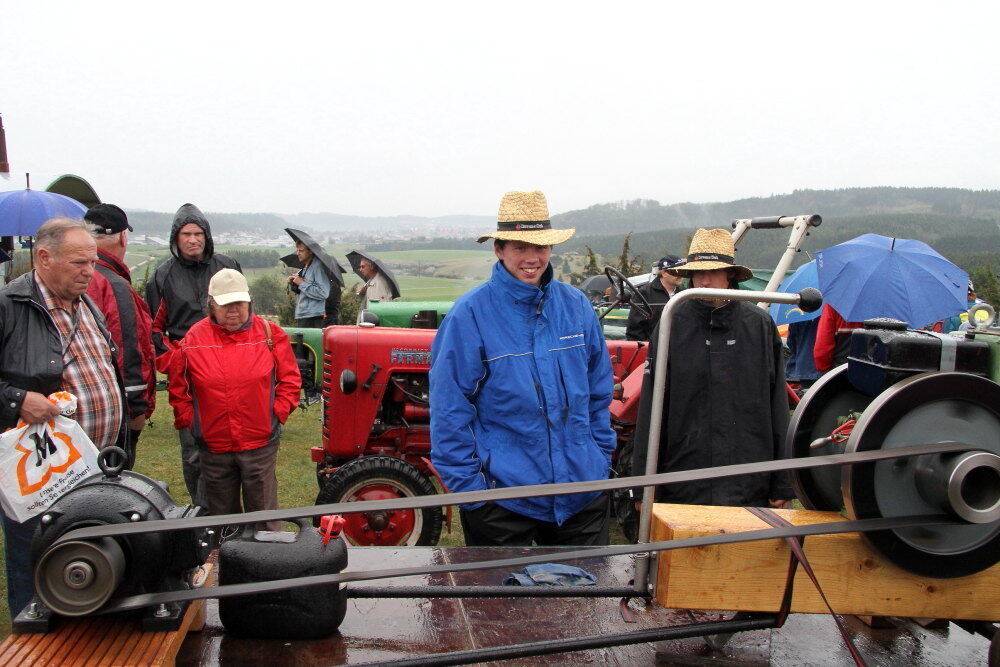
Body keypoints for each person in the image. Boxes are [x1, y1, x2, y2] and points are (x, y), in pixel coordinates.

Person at [430, 190, 616, 547]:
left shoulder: (575, 306)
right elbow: (449, 408)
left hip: (582, 490)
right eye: (520, 247)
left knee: (586, 598)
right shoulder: (469, 315)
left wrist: (599, 456)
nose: (532, 259)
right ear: (499, 250)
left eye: (540, 247)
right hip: (502, 499)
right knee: (502, 601)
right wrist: (473, 492)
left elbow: (598, 390)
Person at [0, 218, 126, 617]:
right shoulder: (9, 306)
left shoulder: (87, 303)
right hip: (40, 472)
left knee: (89, 560)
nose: (89, 271)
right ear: (44, 257)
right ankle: (31, 642)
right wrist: (17, 398)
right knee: (35, 560)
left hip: (94, 466)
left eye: (92, 262)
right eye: (78, 263)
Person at [631, 228, 793, 508]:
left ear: (729, 274)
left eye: (713, 271)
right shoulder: (672, 322)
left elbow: (777, 402)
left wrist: (783, 482)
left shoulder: (758, 325)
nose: (704, 280)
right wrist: (644, 483)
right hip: (683, 478)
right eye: (698, 272)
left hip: (748, 478)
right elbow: (651, 408)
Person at [167, 269, 300, 530]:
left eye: (239, 303)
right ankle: (225, 564)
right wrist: (191, 422)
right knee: (224, 522)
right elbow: (178, 386)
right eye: (226, 304)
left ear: (249, 302)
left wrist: (277, 413)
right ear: (211, 305)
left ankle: (266, 566)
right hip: (214, 446)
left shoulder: (270, 334)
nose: (233, 310)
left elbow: (290, 380)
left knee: (264, 519)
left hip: (259, 441)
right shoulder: (193, 339)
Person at [146, 203, 241, 510]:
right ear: (176, 238)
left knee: (235, 441)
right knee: (194, 445)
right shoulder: (163, 275)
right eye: (186, 234)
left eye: (198, 233)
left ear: (207, 236)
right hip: (188, 371)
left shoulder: (227, 268)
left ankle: (233, 511)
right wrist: (173, 362)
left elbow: (244, 312)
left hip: (230, 366)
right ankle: (203, 512)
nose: (192, 240)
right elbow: (154, 330)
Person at [84, 204, 156, 468]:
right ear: (123, 237)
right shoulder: (115, 285)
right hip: (116, 411)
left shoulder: (76, 277)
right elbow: (129, 347)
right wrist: (136, 407)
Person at [625, 254, 686, 341]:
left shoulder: (684, 294)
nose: (681, 276)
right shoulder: (644, 293)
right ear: (664, 273)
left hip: (678, 347)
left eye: (683, 271)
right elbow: (635, 329)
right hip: (652, 348)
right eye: (677, 272)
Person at [287, 240, 331, 328]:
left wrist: (301, 283)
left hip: (313, 317)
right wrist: (294, 281)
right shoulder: (305, 267)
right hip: (304, 314)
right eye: (297, 250)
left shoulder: (317, 266)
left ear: (310, 251)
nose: (298, 253)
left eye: (301, 251)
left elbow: (324, 293)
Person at [813, 303, 862, 373]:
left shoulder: (834, 304)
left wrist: (824, 370)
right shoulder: (880, 302)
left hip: (840, 371)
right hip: (876, 373)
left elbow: (823, 347)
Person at [355, 256, 396, 322]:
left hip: (372, 325)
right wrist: (362, 292)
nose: (360, 269)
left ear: (371, 267)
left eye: (363, 267)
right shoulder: (371, 281)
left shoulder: (379, 283)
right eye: (360, 267)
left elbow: (380, 309)